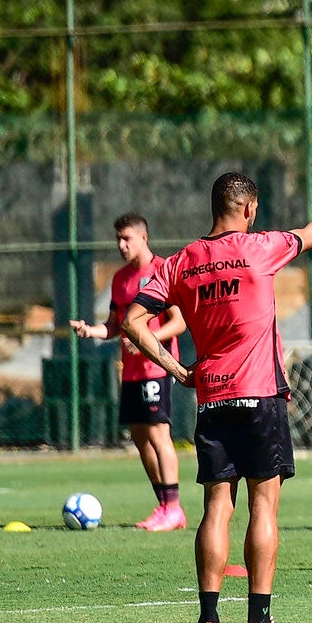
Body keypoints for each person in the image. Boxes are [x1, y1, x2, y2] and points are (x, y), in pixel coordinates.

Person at [124, 171, 312, 623]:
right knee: (264, 505)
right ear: (250, 209)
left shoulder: (180, 262)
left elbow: (133, 322)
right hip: (259, 395)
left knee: (216, 507)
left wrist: (177, 371)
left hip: (213, 398)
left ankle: (207, 621)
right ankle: (259, 620)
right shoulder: (261, 247)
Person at [69, 212, 188, 531]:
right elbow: (114, 325)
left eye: (127, 239)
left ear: (144, 238)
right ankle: (164, 505)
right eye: (118, 240)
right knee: (138, 435)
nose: (121, 245)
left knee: (157, 433)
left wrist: (146, 337)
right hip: (132, 371)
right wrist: (91, 331)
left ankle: (174, 508)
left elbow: (178, 322)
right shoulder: (120, 279)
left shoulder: (163, 270)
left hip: (157, 365)